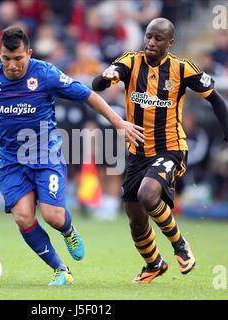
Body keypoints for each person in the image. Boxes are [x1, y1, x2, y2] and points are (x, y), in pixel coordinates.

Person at [0, 26, 144, 286]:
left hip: (46, 156)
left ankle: (68, 231)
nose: (12, 65)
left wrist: (119, 123)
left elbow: (89, 95)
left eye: (18, 59)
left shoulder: (46, 74)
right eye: (6, 59)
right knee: (23, 218)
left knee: (53, 216)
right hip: (11, 161)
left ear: (29, 53)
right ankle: (61, 270)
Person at [92, 17, 228, 283]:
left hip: (171, 148)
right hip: (138, 152)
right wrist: (106, 77)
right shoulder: (130, 61)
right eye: (149, 36)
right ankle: (153, 264)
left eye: (158, 38)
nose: (151, 42)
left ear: (170, 42)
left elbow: (215, 98)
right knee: (135, 219)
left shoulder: (182, 68)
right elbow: (98, 84)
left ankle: (180, 245)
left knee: (147, 194)